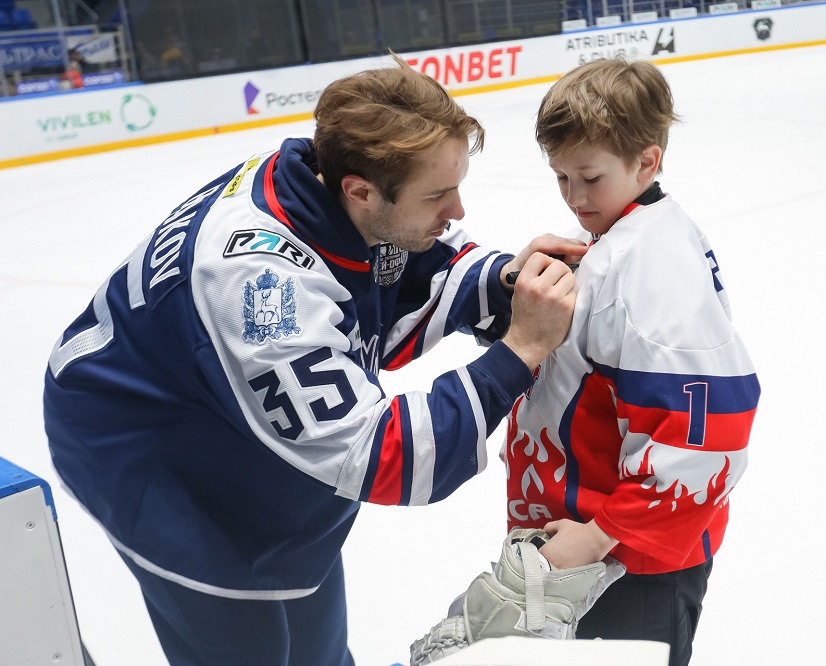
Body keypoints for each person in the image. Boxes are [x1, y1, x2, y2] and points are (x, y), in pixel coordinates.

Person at [43, 55, 584, 666]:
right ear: (360, 190)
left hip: (207, 399)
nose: (457, 212)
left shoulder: (326, 180)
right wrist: (523, 350)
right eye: (437, 194)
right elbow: (384, 457)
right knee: (248, 640)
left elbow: (402, 271)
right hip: (148, 451)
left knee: (315, 635)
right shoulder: (264, 292)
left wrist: (508, 281)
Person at [502, 57, 761, 666]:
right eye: (560, 177)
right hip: (598, 549)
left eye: (589, 177)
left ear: (648, 161)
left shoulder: (652, 267)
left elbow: (707, 438)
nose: (573, 197)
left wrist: (596, 536)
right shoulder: (626, 238)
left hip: (632, 563)